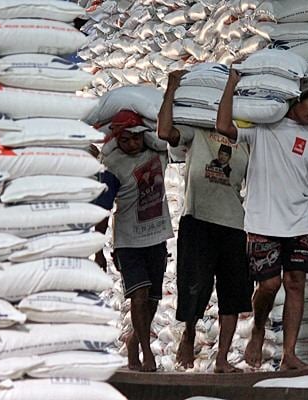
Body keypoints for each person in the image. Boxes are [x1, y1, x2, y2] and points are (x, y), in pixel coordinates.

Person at [216, 71, 308, 370]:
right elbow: (223, 126)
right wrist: (231, 84)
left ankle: (289, 354)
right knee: (268, 284)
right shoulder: (265, 125)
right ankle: (259, 328)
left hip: (299, 221)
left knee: (295, 284)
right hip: (262, 220)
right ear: (297, 100)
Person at [157, 70, 253, 373]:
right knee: (194, 286)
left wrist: (233, 86)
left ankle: (222, 359)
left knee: (233, 293)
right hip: (198, 220)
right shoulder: (196, 132)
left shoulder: (246, 140)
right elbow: (163, 132)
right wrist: (171, 88)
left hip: (234, 224)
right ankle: (188, 333)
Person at [93, 110, 174, 372]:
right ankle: (145, 351)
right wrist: (98, 251)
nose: (131, 145)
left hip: (157, 237)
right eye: (125, 140)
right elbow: (103, 210)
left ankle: (132, 341)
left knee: (152, 300)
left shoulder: (158, 153)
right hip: (128, 242)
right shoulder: (112, 166)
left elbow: (168, 134)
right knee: (138, 296)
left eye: (135, 139)